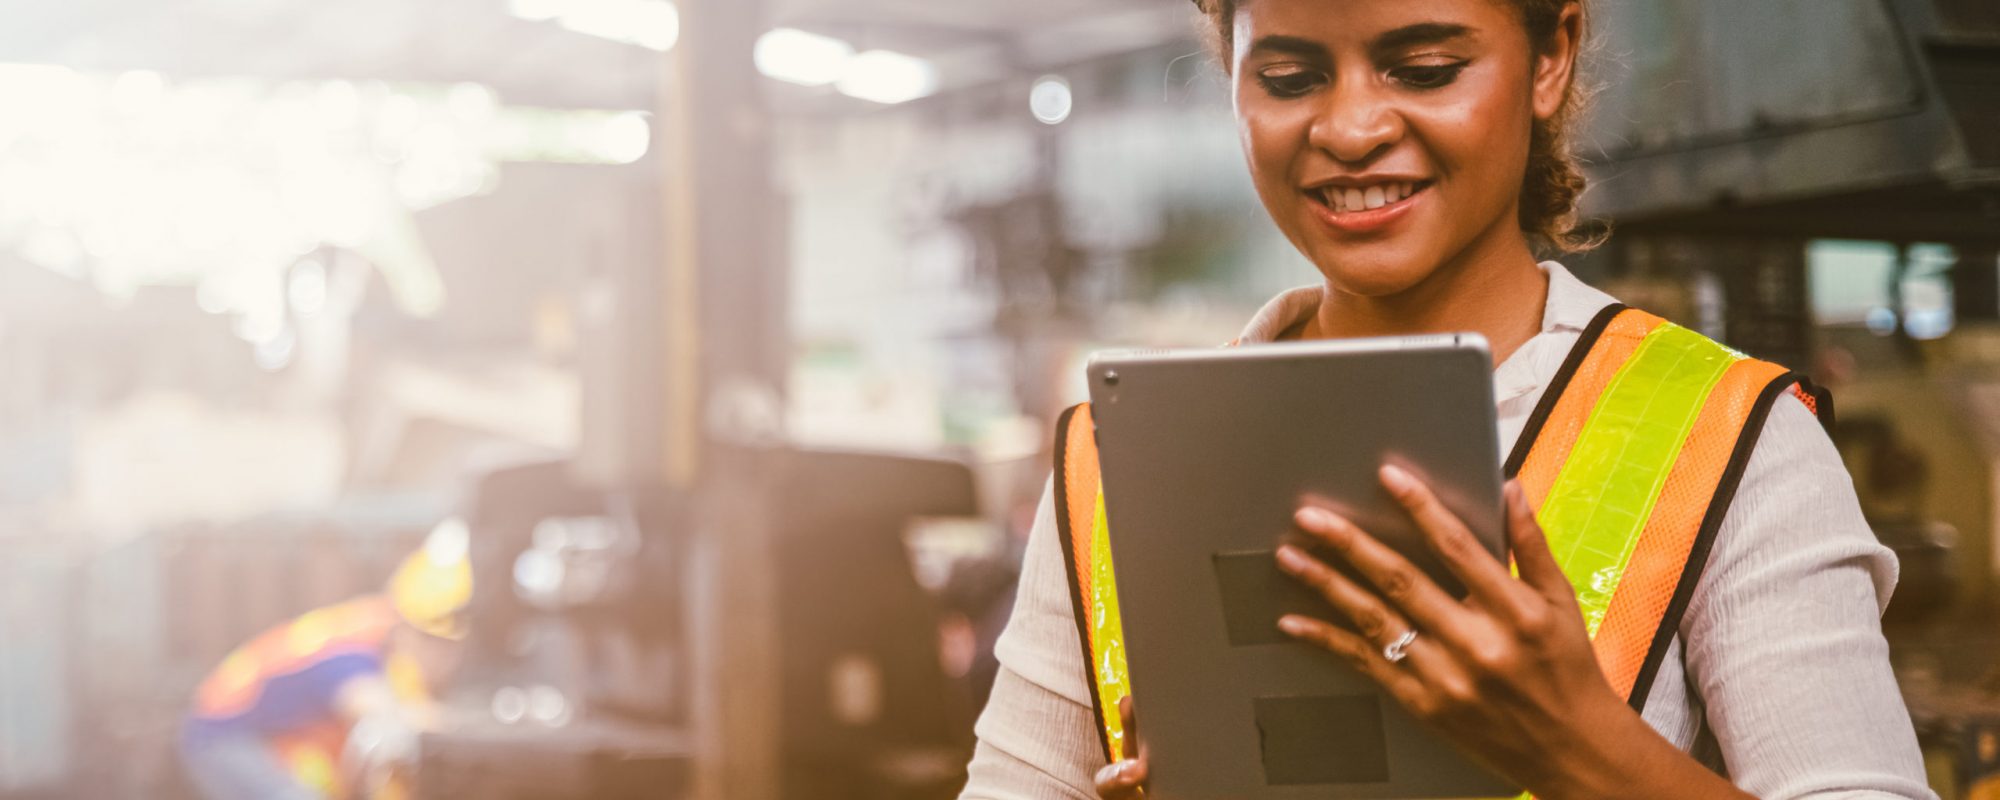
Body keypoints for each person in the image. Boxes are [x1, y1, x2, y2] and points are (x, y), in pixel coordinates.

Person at [959, 1, 1933, 798]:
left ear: (1549, 55)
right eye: (1289, 77)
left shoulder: (1726, 434)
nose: (1347, 129)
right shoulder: (1121, 455)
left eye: (1421, 67)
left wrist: (1585, 751)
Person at [180, 519, 474, 800]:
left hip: (272, 729)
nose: (442, 657)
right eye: (432, 642)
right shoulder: (353, 648)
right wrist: (457, 726)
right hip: (224, 734)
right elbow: (377, 708)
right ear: (406, 627)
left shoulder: (381, 627)